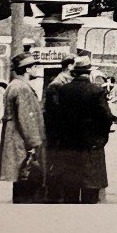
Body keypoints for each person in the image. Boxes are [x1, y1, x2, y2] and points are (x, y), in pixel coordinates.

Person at [43, 56, 114, 204]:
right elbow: (107, 117)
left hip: (69, 145)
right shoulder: (96, 91)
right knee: (90, 191)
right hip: (91, 146)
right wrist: (100, 139)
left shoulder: (63, 90)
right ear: (89, 72)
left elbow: (57, 117)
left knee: (70, 189)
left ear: (75, 72)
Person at [0, 53, 46, 204]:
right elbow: (27, 118)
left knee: (19, 181)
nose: (36, 69)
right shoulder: (22, 88)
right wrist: (35, 144)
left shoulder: (14, 85)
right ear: (27, 70)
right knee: (26, 178)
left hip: (14, 136)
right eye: (33, 67)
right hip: (21, 140)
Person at [43, 54, 76, 203]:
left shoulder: (65, 81)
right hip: (57, 131)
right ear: (69, 66)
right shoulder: (57, 84)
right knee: (57, 161)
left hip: (62, 130)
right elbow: (56, 110)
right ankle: (54, 194)